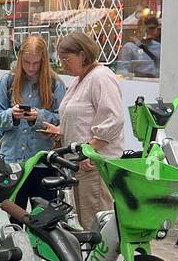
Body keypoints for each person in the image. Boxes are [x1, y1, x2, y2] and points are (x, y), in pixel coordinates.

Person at [49, 30, 125, 229]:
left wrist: (90, 150)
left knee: (95, 223)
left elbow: (113, 120)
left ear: (83, 55)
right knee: (83, 222)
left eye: (67, 58)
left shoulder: (100, 77)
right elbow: (80, 119)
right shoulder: (78, 80)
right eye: (61, 58)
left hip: (94, 166)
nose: (63, 64)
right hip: (79, 165)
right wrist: (59, 130)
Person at [0, 36, 65, 163]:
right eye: (26, 62)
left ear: (43, 61)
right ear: (20, 60)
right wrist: (11, 115)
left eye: (36, 63)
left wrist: (39, 117)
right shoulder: (8, 80)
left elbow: (63, 122)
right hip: (10, 158)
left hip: (42, 161)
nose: (31, 68)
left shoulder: (55, 84)